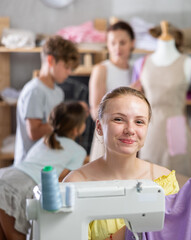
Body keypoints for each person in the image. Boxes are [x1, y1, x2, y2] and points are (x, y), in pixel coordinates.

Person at [64, 87, 180, 240]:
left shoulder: (164, 182)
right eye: (118, 119)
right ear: (99, 126)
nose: (130, 130)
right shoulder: (74, 185)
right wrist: (129, 232)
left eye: (139, 122)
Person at [0, 101, 87, 239]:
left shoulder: (45, 139)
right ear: (76, 129)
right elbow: (63, 179)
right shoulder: (78, 151)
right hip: (22, 186)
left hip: (5, 176)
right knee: (16, 236)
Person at [133, 20, 191, 177]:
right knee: (149, 177)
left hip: (177, 126)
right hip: (151, 127)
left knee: (179, 179)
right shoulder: (141, 63)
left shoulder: (188, 62)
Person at [14, 35, 80, 165]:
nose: (69, 72)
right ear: (50, 60)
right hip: (29, 165)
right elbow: (34, 132)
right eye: (66, 67)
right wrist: (66, 119)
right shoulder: (35, 91)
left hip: (46, 161)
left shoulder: (58, 92)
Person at [88, 20, 135, 161]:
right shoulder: (101, 70)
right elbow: (95, 112)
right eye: (112, 43)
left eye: (122, 42)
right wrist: (129, 94)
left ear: (132, 43)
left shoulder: (136, 70)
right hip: (106, 141)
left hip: (131, 140)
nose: (117, 48)